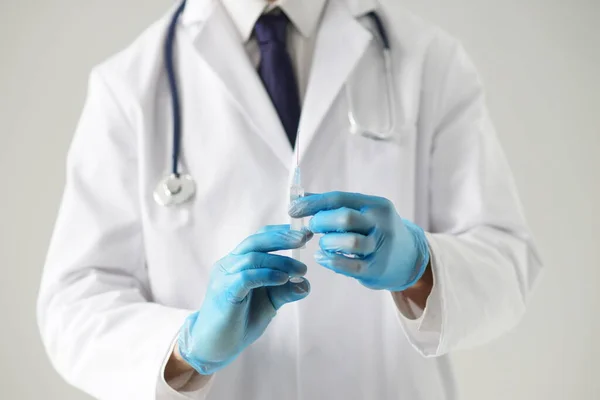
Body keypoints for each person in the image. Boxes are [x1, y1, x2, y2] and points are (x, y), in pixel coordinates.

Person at [37, 0, 543, 399]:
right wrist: (186, 346)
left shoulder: (428, 61)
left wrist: (422, 267)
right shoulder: (128, 87)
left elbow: (507, 260)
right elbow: (74, 303)